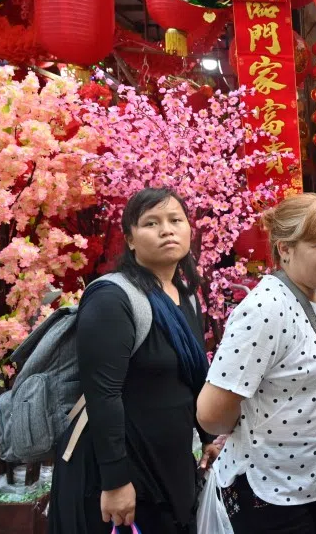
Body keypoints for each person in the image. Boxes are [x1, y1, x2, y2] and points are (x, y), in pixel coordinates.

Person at [196, 193, 316, 534]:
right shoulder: (264, 310)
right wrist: (250, 421)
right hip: (268, 489)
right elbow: (210, 413)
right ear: (285, 249)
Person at [50, 188, 219, 534]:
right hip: (118, 470)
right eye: (151, 223)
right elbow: (103, 394)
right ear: (129, 239)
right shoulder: (112, 298)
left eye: (176, 220)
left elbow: (192, 375)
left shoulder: (185, 296)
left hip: (169, 465)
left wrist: (209, 437)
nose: (167, 230)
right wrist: (115, 482)